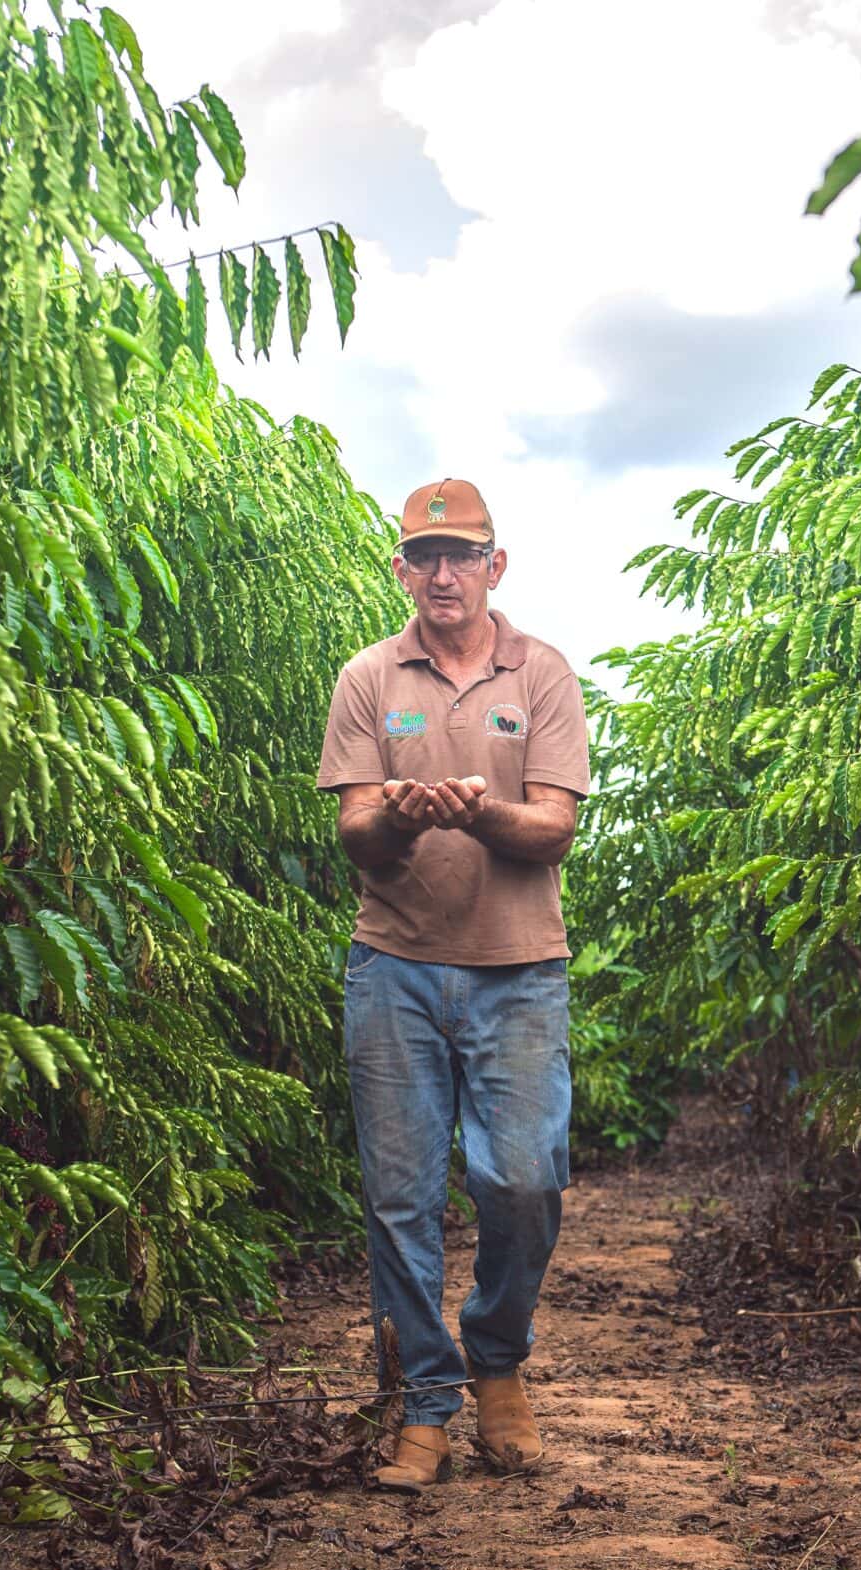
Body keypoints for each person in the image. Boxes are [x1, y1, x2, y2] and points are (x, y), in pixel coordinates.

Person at [314, 477, 591, 1492]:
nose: (443, 572)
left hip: (518, 971)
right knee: (397, 1197)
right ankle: (426, 1405)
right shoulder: (366, 677)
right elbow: (354, 832)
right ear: (400, 567)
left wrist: (473, 813)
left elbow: (555, 824)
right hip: (393, 966)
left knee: (522, 1180)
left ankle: (497, 1356)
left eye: (461, 553)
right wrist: (400, 813)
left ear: (494, 564)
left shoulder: (544, 675)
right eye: (424, 555)